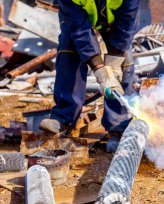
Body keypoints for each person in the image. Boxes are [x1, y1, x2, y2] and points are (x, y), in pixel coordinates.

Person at [39, 0, 140, 152]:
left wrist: (114, 61)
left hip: (116, 22)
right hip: (78, 21)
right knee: (69, 52)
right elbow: (79, 30)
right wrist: (99, 69)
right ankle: (63, 118)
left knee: (125, 59)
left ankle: (119, 125)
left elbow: (127, 22)